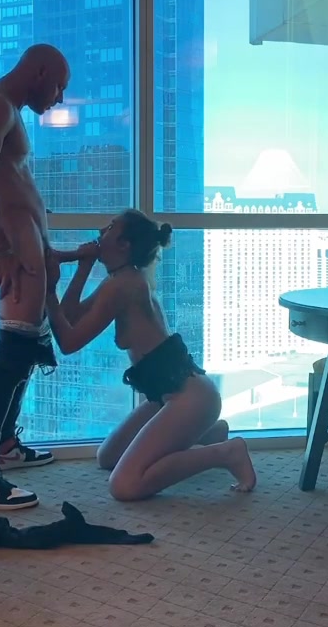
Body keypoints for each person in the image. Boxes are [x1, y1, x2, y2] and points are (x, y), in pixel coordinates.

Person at [45, 210, 258, 501]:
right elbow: (70, 316)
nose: (101, 230)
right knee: (108, 457)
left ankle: (226, 453)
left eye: (110, 227)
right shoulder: (122, 278)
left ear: (124, 244)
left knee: (124, 485)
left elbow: (69, 342)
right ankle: (209, 434)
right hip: (168, 395)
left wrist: (48, 290)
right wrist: (84, 266)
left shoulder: (123, 286)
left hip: (190, 398)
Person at [0, 43, 82, 511]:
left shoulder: (7, 108)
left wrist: (41, 240)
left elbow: (11, 181)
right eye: (60, 86)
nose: (60, 98)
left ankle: (5, 444)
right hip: (13, 245)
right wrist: (4, 247)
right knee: (11, 353)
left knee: (25, 346)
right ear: (40, 71)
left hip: (24, 242)